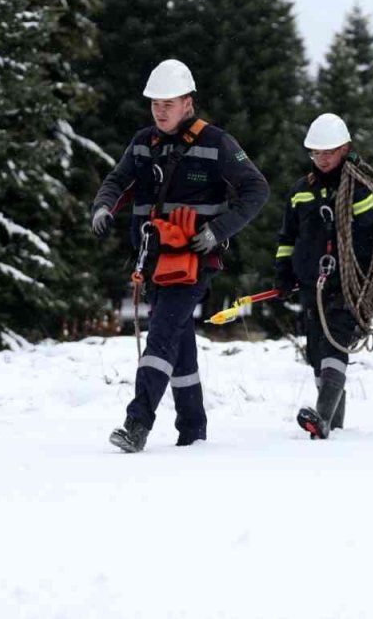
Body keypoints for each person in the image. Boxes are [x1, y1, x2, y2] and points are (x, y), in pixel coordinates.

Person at [91, 59, 269, 453]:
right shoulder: (142, 142)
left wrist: (216, 230)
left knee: (161, 337)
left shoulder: (217, 143)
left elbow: (257, 190)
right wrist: (103, 207)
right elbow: (117, 180)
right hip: (150, 259)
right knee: (177, 339)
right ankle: (193, 429)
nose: (160, 110)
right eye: (155, 103)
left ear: (188, 102)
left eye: (168, 103)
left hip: (193, 262)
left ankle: (137, 424)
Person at [274, 113, 373, 439]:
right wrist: (283, 274)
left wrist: (365, 279)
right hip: (311, 284)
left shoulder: (360, 190)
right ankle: (333, 424)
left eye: (329, 152)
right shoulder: (300, 192)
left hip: (347, 285)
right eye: (316, 153)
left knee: (336, 344)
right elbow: (287, 238)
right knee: (317, 351)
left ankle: (321, 417)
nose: (322, 159)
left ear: (345, 149)